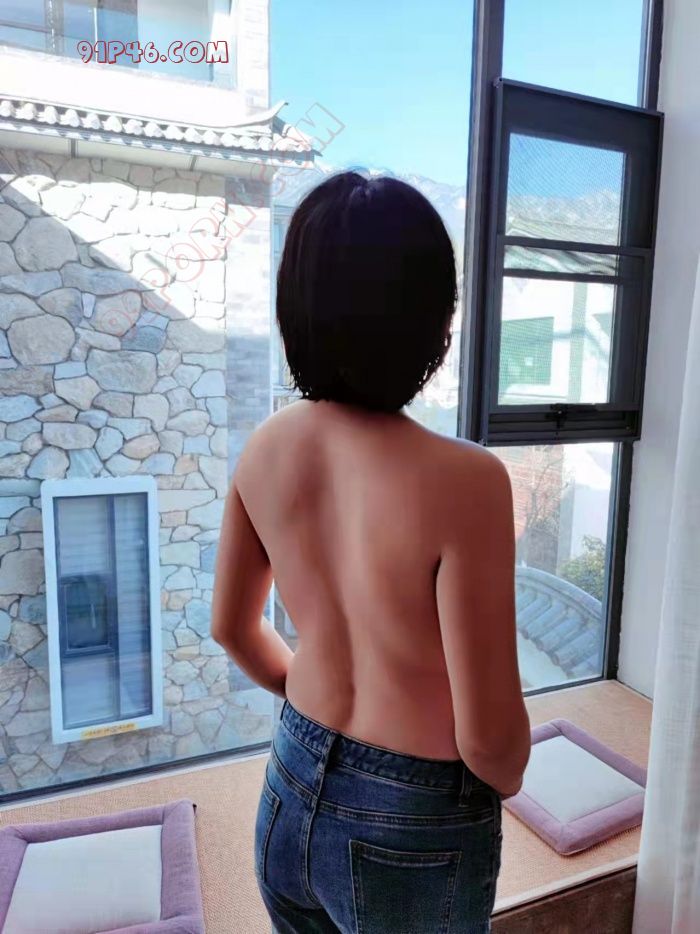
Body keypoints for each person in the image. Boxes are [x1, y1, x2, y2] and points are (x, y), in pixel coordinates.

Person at [211, 170, 531, 933]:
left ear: (297, 307)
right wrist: (501, 774)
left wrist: (319, 708)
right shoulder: (468, 481)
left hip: (291, 784)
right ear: (433, 321)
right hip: (413, 821)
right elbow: (492, 743)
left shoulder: (266, 447)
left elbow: (233, 627)